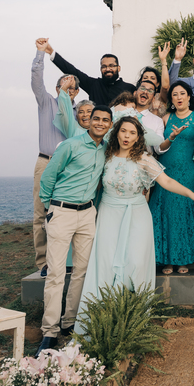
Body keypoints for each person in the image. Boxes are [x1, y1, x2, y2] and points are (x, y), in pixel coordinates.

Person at [76, 116, 194, 332]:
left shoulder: (143, 158)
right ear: (116, 132)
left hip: (136, 215)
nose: (127, 136)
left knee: (135, 264)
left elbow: (166, 181)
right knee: (106, 264)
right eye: (123, 131)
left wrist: (191, 194)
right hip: (109, 214)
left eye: (132, 133)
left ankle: (133, 318)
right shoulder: (106, 155)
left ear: (139, 137)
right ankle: (104, 319)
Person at [36, 105, 114, 354]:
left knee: (81, 272)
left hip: (87, 214)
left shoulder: (106, 150)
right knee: (56, 274)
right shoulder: (70, 145)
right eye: (96, 119)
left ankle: (70, 323)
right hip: (62, 212)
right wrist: (51, 209)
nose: (100, 123)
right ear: (88, 121)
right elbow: (48, 178)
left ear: (110, 124)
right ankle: (49, 331)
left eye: (105, 120)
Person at [32, 38, 80, 276]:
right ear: (57, 89)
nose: (67, 89)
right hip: (46, 161)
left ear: (77, 92)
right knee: (41, 213)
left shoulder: (80, 112)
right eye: (63, 85)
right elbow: (36, 80)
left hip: (69, 167)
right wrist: (41, 54)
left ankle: (66, 261)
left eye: (71, 86)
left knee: (66, 214)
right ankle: (44, 263)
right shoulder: (46, 103)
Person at [149, 82, 194, 274]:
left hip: (187, 171)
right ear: (171, 99)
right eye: (175, 94)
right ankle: (167, 259)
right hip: (166, 170)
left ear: (189, 96)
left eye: (183, 93)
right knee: (165, 212)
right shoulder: (165, 118)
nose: (179, 97)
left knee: (182, 212)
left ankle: (183, 259)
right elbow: (158, 147)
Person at [40, 41, 135, 106]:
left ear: (118, 68)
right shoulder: (94, 85)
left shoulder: (130, 89)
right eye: (104, 66)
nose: (108, 69)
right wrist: (51, 52)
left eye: (111, 66)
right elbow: (72, 70)